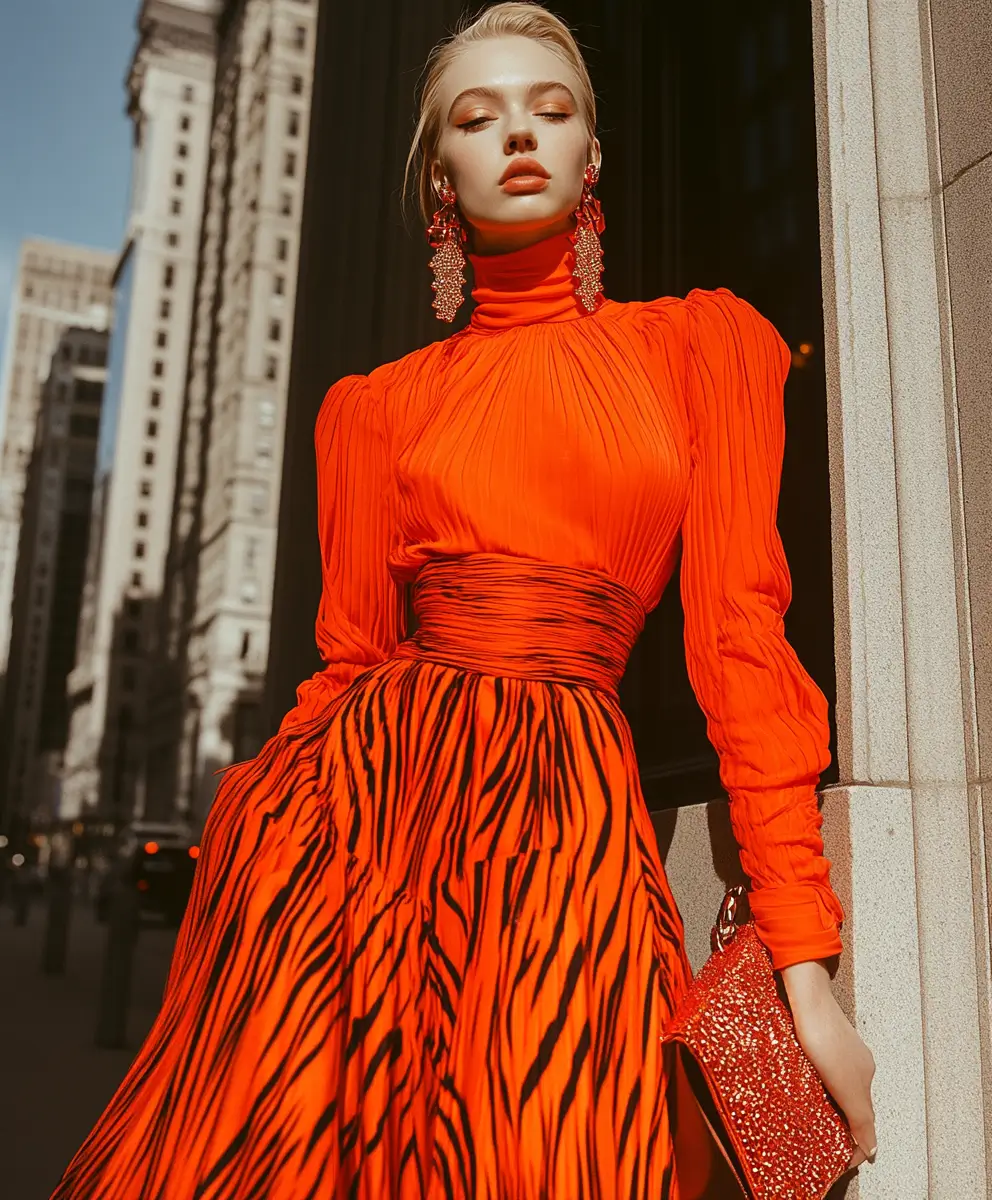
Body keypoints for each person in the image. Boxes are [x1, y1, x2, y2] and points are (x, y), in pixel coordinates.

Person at [52, 4, 876, 1196]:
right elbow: (345, 661)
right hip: (372, 836)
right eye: (478, 119)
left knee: (559, 1148)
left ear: (594, 157)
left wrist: (803, 968)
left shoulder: (703, 351)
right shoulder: (374, 408)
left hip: (567, 822)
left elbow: (741, 642)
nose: (519, 137)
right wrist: (259, 826)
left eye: (551, 110)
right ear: (441, 176)